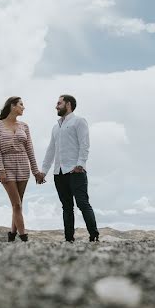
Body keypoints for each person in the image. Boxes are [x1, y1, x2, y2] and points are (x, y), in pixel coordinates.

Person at [40, 94, 99, 242]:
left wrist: (80, 164)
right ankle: (68, 239)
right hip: (58, 173)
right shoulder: (55, 127)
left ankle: (94, 236)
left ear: (68, 104)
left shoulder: (79, 121)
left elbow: (84, 144)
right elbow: (51, 150)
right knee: (66, 207)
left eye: (59, 103)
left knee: (82, 204)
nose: (56, 106)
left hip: (75, 171)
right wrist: (44, 171)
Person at [0, 96, 44, 242]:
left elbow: (30, 150)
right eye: (21, 104)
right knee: (16, 204)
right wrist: (0, 170)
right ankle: (24, 238)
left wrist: (36, 172)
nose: (23, 107)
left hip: (23, 165)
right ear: (12, 106)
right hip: (6, 167)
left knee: (18, 204)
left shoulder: (25, 126)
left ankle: (12, 235)